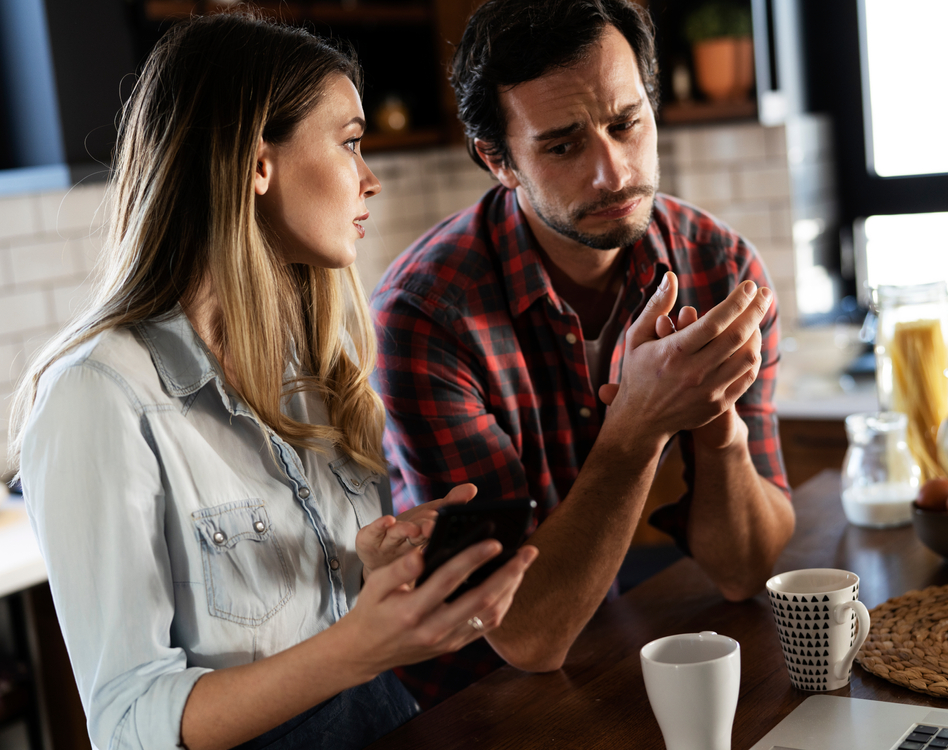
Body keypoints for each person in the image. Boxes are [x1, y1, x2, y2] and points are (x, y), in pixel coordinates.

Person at [8, 12, 538, 750]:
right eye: (350, 141)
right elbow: (129, 725)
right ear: (258, 164)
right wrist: (361, 645)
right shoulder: (100, 397)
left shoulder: (311, 373)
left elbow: (320, 632)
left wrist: (377, 575)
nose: (370, 178)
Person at [370, 0, 795, 704]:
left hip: (613, 649)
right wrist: (638, 422)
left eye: (626, 124)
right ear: (498, 160)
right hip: (465, 701)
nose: (612, 172)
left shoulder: (720, 267)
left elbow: (743, 572)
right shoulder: (424, 316)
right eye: (562, 146)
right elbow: (524, 636)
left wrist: (713, 414)